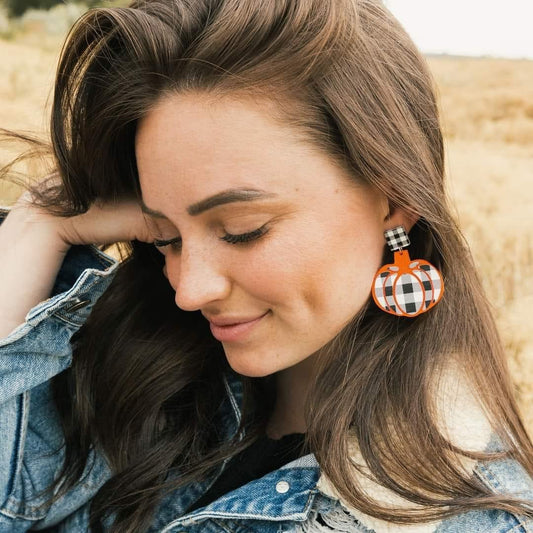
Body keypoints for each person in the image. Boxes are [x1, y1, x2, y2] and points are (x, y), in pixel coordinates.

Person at [1, 0, 533, 531]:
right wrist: (36, 229)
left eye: (243, 230)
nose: (189, 291)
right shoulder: (132, 366)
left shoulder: (468, 519)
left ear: (391, 201)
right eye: (165, 238)